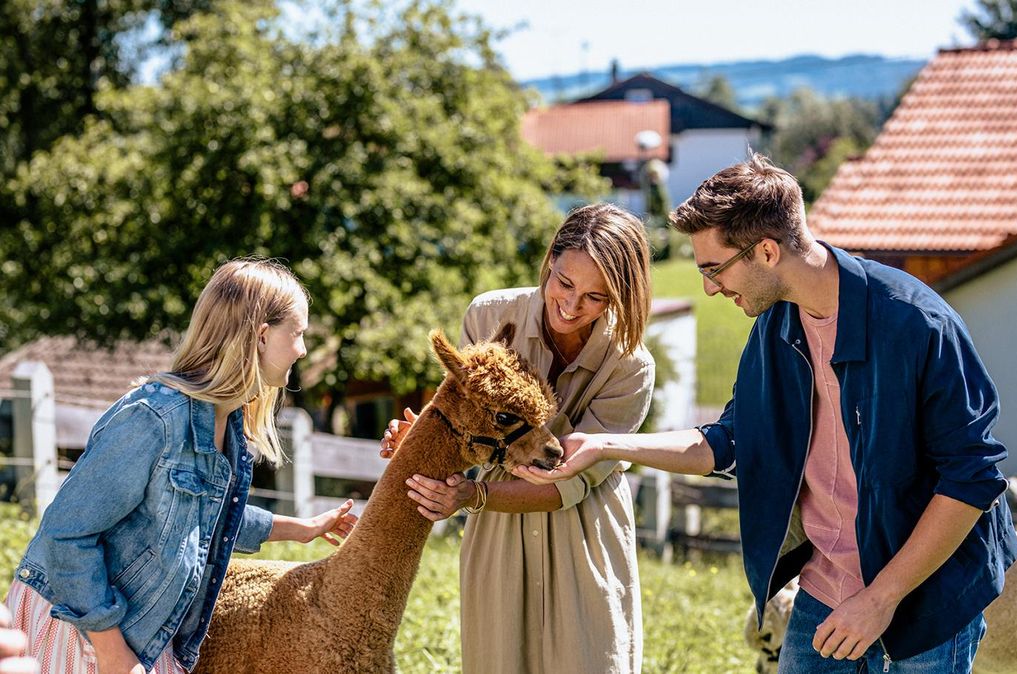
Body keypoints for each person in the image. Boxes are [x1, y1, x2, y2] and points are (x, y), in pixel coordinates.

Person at [516, 155, 1017, 673]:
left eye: (713, 269)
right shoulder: (775, 329)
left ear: (766, 251)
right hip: (827, 589)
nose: (709, 288)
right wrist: (604, 445)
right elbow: (731, 441)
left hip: (926, 597)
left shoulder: (917, 324)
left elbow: (972, 478)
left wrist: (880, 600)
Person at [5, 259, 358, 674]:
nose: (302, 350)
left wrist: (302, 529)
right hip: (78, 627)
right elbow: (66, 534)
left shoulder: (226, 422)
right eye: (297, 334)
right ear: (262, 336)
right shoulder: (155, 418)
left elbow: (200, 518)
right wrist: (112, 652)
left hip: (131, 635)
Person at [380, 204, 655, 674]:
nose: (571, 305)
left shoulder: (630, 366)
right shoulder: (489, 315)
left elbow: (572, 479)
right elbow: (466, 421)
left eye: (595, 297)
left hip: (583, 536)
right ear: (550, 261)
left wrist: (474, 495)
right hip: (498, 536)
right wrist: (420, 441)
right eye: (563, 283)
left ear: (619, 296)